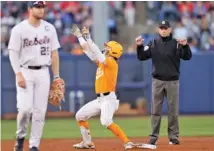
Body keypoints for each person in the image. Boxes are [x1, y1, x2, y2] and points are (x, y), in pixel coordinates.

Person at [70, 25, 138, 150]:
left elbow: (95, 51)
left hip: (109, 99)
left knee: (106, 121)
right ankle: (87, 142)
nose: (105, 49)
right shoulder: (103, 62)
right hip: (100, 100)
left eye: (108, 47)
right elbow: (89, 51)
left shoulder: (111, 62)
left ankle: (127, 142)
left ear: (114, 51)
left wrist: (89, 37)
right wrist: (80, 36)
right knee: (80, 116)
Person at [8, 1, 61, 151]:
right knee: (25, 109)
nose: (41, 9)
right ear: (29, 9)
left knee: (40, 112)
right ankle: (20, 137)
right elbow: (13, 53)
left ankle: (34, 146)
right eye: (37, 6)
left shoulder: (49, 28)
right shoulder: (19, 29)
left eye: (42, 7)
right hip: (25, 71)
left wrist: (56, 76)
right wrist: (18, 74)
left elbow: (54, 53)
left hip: (44, 71)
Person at [136, 20, 192, 149]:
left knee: (173, 111)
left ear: (170, 30)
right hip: (158, 81)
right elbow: (142, 56)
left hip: (172, 81)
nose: (163, 30)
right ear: (158, 29)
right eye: (161, 28)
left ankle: (173, 137)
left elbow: (187, 57)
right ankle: (153, 138)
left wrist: (185, 46)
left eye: (165, 28)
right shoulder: (153, 43)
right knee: (156, 111)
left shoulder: (176, 44)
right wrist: (139, 46)